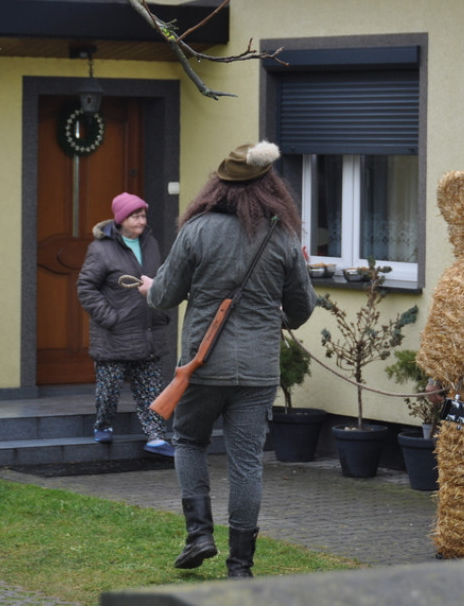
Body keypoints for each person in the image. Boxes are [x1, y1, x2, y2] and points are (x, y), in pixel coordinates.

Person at [138, 141, 316, 579]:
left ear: (218, 187)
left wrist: (148, 288)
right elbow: (301, 310)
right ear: (271, 188)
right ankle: (241, 568)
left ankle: (199, 534)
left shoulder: (197, 230)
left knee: (190, 441)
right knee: (246, 462)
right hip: (257, 369)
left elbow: (164, 296)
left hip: (201, 364)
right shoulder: (283, 236)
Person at [77, 192, 175, 457]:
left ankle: (155, 437)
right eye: (135, 215)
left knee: (152, 389)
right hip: (115, 334)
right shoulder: (101, 249)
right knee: (109, 390)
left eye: (143, 215)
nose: (142, 220)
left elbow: (161, 277)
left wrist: (161, 310)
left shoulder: (151, 243)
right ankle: (103, 424)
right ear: (121, 219)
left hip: (149, 331)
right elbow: (86, 288)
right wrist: (111, 318)